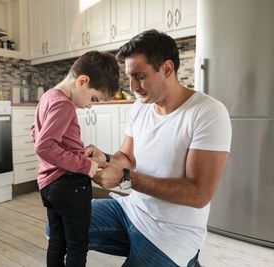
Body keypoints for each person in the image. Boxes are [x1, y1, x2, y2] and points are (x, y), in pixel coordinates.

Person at [85, 29, 232, 266]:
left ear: (166, 69)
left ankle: (185, 260)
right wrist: (106, 157)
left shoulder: (208, 113)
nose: (132, 86)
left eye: (140, 76)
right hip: (132, 211)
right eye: (129, 77)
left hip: (173, 232)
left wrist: (126, 179)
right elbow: (127, 158)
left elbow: (199, 194)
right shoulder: (141, 107)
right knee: (59, 224)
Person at [31, 51, 120, 267]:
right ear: (82, 81)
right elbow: (43, 145)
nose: (90, 106)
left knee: (57, 241)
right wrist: (83, 164)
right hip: (70, 184)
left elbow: (35, 132)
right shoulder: (64, 104)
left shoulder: (48, 97)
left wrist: (73, 150)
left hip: (50, 185)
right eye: (93, 98)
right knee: (77, 245)